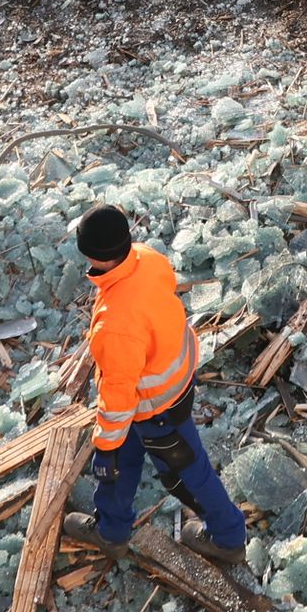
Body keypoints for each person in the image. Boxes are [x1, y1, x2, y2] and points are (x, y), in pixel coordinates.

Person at [74, 204, 251, 575]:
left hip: (154, 407)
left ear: (95, 257)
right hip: (175, 381)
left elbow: (118, 397)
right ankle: (112, 530)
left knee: (187, 470)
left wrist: (104, 447)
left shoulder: (116, 325)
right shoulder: (147, 258)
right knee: (126, 461)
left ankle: (229, 538)